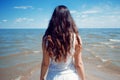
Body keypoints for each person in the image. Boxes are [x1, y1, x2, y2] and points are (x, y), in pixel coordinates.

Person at [40, 5, 86, 80]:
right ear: (69, 19)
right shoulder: (76, 38)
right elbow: (78, 64)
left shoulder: (47, 39)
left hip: (53, 77)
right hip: (71, 77)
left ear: (53, 19)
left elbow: (45, 63)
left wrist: (41, 77)